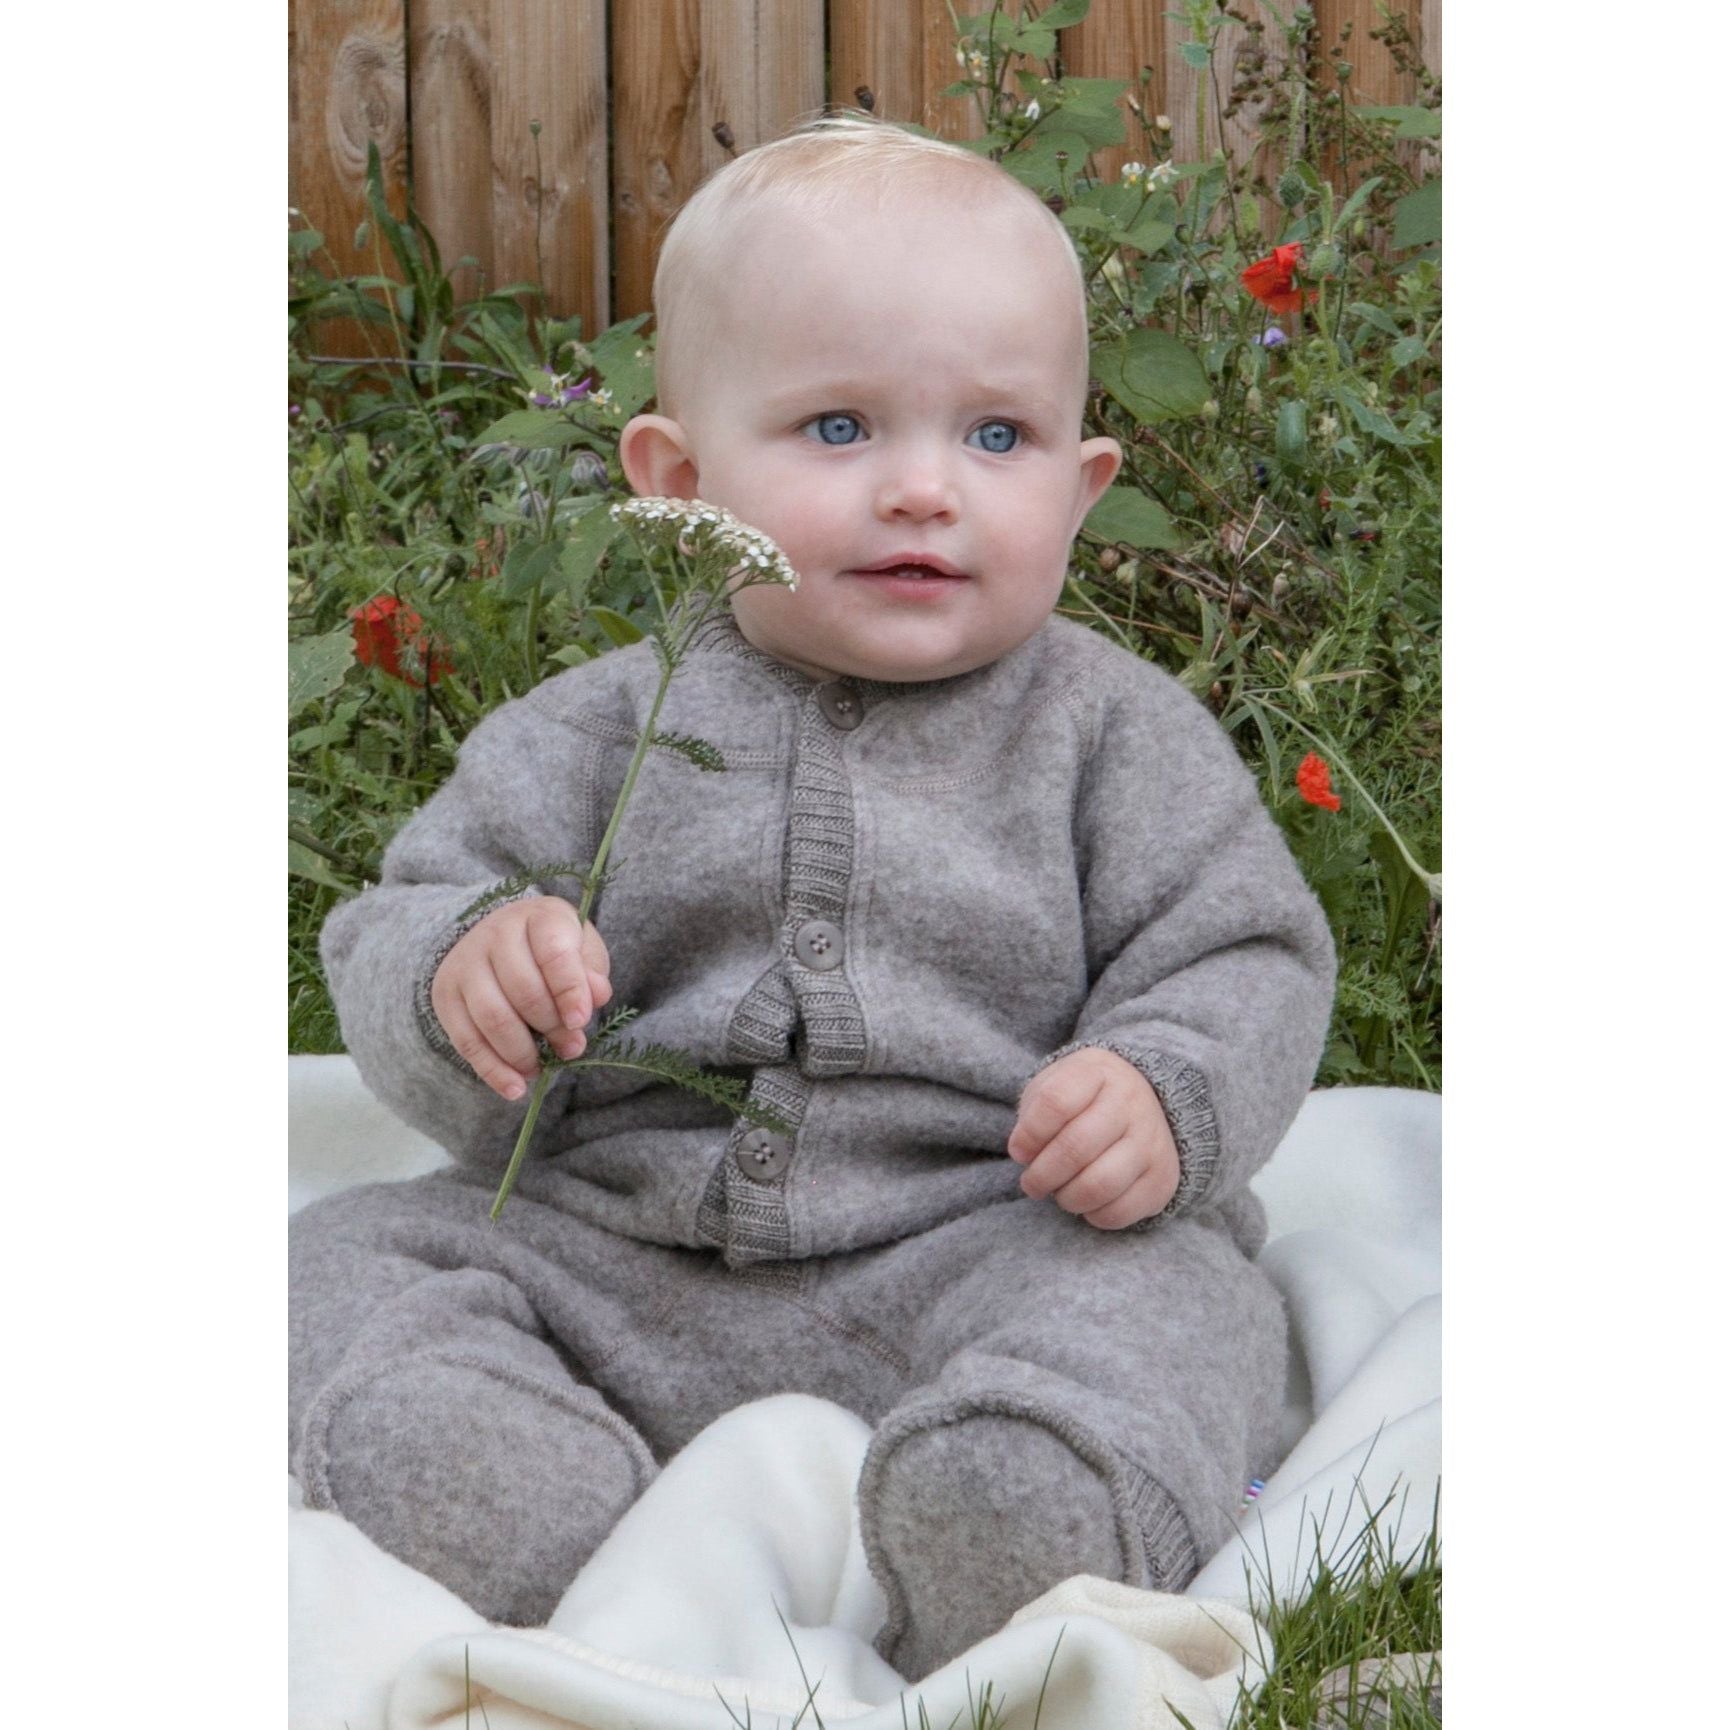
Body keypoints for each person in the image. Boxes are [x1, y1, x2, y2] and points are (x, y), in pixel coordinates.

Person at [290, 116, 1336, 1678]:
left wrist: (1162, 1090)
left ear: (1082, 486)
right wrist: (465, 971)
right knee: (334, 1264)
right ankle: (526, 1490)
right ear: (677, 479)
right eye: (839, 428)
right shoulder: (599, 725)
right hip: (615, 1244)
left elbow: (1242, 948)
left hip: (994, 1238)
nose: (923, 489)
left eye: (996, 437)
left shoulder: (1109, 734)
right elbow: (404, 911)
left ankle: (1023, 1505)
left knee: (1172, 1301)